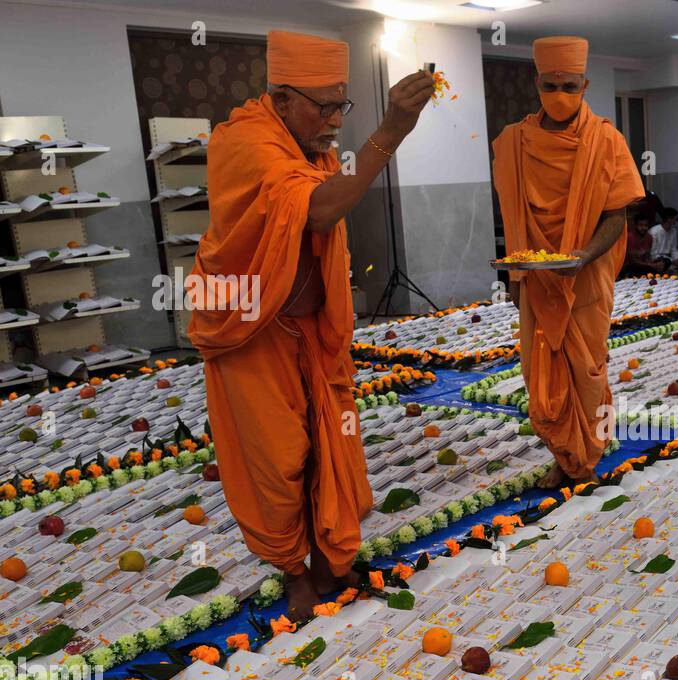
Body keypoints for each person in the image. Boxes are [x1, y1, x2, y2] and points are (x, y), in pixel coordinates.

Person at [188, 30, 432, 620]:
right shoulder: (243, 141)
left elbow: (323, 209)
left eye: (339, 107)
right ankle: (292, 569)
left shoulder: (311, 150)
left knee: (331, 446)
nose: (332, 120)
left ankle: (330, 557)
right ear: (281, 95)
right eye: (321, 106)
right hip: (253, 332)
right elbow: (321, 209)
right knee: (279, 460)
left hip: (313, 333)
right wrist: (390, 132)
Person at [492, 36, 643, 490]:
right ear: (537, 82)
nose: (559, 94)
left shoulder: (606, 141)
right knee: (542, 373)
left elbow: (617, 215)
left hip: (587, 277)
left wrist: (582, 256)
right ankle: (565, 453)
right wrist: (520, 275)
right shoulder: (514, 142)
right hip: (535, 280)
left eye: (569, 85)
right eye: (551, 84)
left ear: (585, 84)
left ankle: (585, 457)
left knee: (587, 369)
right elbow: (514, 215)